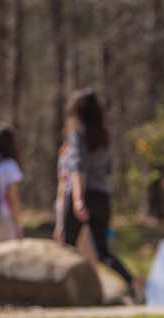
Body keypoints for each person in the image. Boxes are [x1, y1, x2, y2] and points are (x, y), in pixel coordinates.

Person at [54, 89, 135, 288]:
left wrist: (78, 199)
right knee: (103, 252)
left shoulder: (77, 135)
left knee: (68, 248)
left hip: (81, 194)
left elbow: (78, 168)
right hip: (102, 196)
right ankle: (132, 282)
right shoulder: (103, 137)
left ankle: (65, 290)